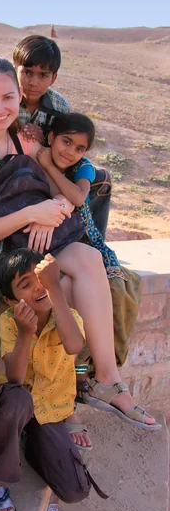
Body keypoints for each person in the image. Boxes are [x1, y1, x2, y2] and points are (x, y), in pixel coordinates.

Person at [0, 57, 159, 443]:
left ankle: (106, 379)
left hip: (42, 238)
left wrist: (51, 213)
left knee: (88, 261)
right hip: (0, 252)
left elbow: (61, 189)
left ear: (19, 96)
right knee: (60, 291)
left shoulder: (28, 139)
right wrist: (31, 212)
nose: (0, 108)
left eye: (8, 97)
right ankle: (70, 399)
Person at [36, 113, 161, 429]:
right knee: (67, 287)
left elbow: (77, 197)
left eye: (79, 147)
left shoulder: (80, 167)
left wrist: (48, 165)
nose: (70, 151)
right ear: (51, 137)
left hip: (70, 241)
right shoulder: (29, 153)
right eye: (66, 141)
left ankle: (98, 380)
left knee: (75, 283)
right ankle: (76, 395)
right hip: (33, 240)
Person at [0, 249, 104, 511]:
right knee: (17, 399)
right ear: (10, 301)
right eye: (26, 284)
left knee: (75, 491)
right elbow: (15, 380)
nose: (38, 287)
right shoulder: (10, 321)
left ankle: (30, 443)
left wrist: (54, 285)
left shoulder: (67, 317)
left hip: (50, 412)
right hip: (16, 402)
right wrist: (25, 333)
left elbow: (74, 346)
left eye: (40, 278)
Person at [13, 35, 111, 236]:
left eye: (43, 75)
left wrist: (44, 137)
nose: (33, 82)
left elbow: (67, 139)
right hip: (14, 166)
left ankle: (92, 238)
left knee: (101, 178)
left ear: (53, 78)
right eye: (27, 72)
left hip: (51, 164)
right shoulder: (5, 97)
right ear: (16, 69)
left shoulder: (59, 105)